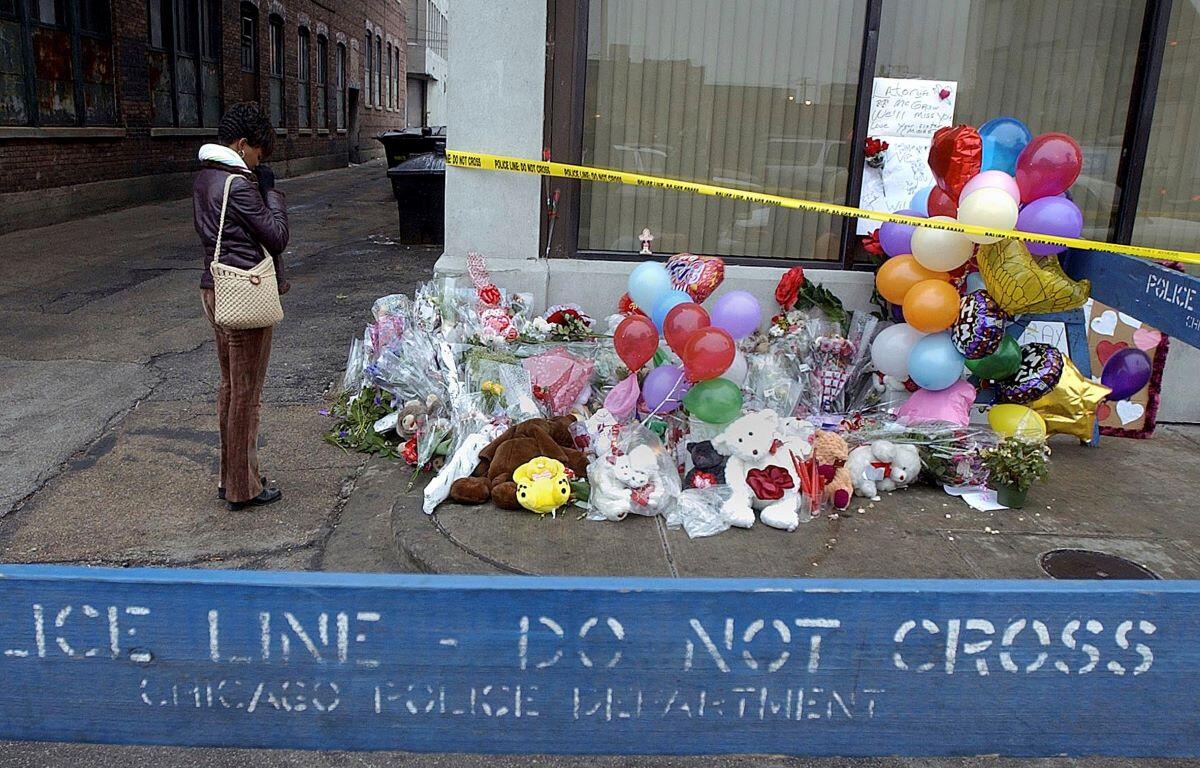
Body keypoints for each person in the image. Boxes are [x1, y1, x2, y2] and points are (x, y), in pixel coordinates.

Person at [194, 103, 289, 510]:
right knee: (246, 394)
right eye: (257, 154)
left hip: (215, 289)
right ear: (242, 145)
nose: (258, 162)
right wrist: (272, 191)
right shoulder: (240, 185)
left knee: (231, 388)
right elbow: (277, 235)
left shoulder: (205, 178)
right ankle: (243, 487)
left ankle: (228, 477)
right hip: (244, 292)